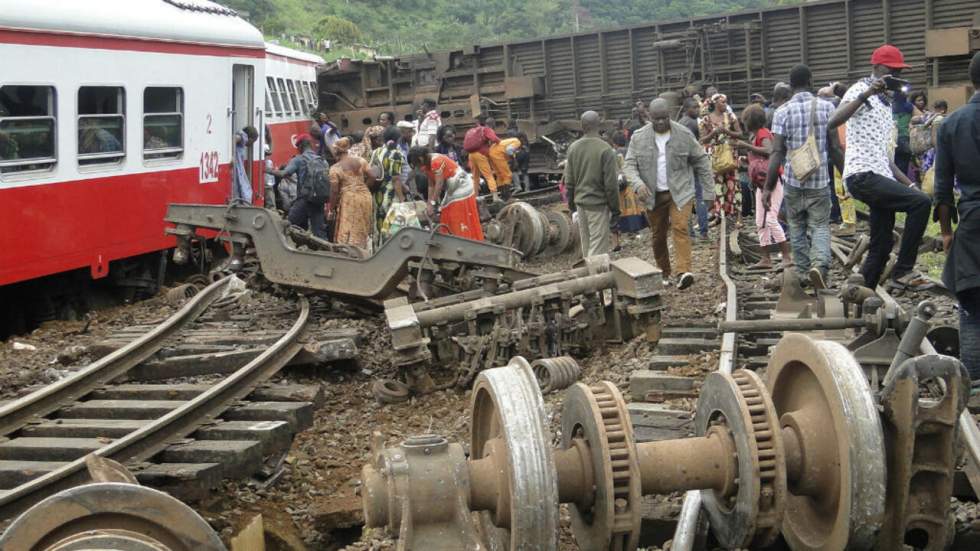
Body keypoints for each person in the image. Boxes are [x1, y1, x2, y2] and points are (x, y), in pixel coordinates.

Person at [829, 44, 933, 290]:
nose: (895, 76)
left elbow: (885, 158)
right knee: (921, 204)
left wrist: (910, 184)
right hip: (862, 174)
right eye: (891, 70)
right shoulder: (860, 89)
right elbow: (833, 121)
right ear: (876, 68)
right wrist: (867, 93)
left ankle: (863, 296)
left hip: (879, 173)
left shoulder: (887, 106)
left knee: (882, 244)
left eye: (898, 72)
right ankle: (904, 271)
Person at [625, 99, 714, 290]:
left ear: (670, 116)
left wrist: (709, 192)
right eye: (656, 119)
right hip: (652, 195)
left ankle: (684, 272)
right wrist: (638, 184)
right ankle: (663, 271)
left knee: (681, 227)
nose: (660, 122)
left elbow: (701, 161)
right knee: (658, 235)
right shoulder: (638, 138)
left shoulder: (683, 134)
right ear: (650, 116)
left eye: (664, 118)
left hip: (680, 192)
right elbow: (629, 165)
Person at [765, 64, 837, 288]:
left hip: (794, 180)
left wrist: (768, 187)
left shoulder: (781, 111)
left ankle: (805, 272)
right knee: (820, 225)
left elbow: (777, 152)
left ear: (790, 84)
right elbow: (835, 147)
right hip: (820, 179)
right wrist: (847, 176)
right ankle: (820, 266)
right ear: (811, 80)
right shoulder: (827, 107)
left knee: (796, 226)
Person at [934, 51, 980, 380]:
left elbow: (942, 188)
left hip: (973, 223)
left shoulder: (951, 124)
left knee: (972, 307)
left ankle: (974, 389)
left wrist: (947, 232)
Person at [736, 104, 790, 268]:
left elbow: (769, 151)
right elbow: (760, 157)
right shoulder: (755, 135)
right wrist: (747, 160)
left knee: (771, 219)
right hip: (761, 183)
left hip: (772, 181)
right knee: (760, 221)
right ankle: (765, 259)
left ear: (749, 121)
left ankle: (787, 256)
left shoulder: (762, 133)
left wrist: (746, 147)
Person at [564, 111, 620, 258]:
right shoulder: (606, 149)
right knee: (598, 251)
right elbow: (611, 185)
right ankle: (592, 278)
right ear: (599, 125)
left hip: (580, 205)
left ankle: (587, 275)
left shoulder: (573, 148)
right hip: (598, 206)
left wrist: (571, 206)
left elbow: (569, 182)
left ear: (582, 126)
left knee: (587, 245)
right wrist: (615, 209)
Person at [408, 146, 484, 241]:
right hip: (452, 187)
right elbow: (431, 185)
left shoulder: (436, 161)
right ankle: (453, 238)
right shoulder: (426, 164)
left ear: (420, 158)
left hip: (462, 186)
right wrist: (428, 203)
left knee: (455, 213)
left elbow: (439, 184)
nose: (417, 167)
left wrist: (432, 204)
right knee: (446, 210)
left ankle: (463, 239)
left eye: (416, 163)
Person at [268, 134, 328, 238]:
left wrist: (267, 170)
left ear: (300, 146)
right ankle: (325, 251)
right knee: (319, 231)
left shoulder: (299, 159)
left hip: (304, 199)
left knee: (287, 224)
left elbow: (284, 174)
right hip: (319, 199)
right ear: (310, 144)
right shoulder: (322, 160)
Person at [699, 93, 743, 218]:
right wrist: (714, 133)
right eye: (723, 102)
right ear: (715, 104)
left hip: (730, 154)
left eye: (726, 102)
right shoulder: (706, 120)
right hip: (716, 157)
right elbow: (702, 140)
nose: (726, 104)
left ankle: (737, 216)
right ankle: (721, 215)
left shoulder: (730, 116)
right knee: (718, 186)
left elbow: (740, 134)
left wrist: (727, 131)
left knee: (734, 184)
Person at [328, 138, 374, 250]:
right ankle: (364, 249)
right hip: (365, 196)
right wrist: (363, 186)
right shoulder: (361, 161)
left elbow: (334, 191)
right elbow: (373, 176)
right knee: (362, 225)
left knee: (348, 228)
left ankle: (350, 253)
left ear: (336, 151)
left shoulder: (335, 169)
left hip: (349, 199)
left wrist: (331, 208)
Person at [679, 97, 710, 240]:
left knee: (686, 199)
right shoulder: (692, 124)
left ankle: (690, 233)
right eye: (694, 108)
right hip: (693, 164)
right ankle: (703, 231)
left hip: (682, 166)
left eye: (698, 107)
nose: (697, 110)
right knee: (700, 197)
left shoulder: (680, 123)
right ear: (686, 109)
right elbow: (695, 146)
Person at [370, 127, 409, 238]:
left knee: (378, 225)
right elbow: (395, 179)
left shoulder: (376, 152)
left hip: (377, 195)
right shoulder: (397, 154)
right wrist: (402, 199)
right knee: (392, 227)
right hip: (391, 196)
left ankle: (378, 250)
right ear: (398, 139)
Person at [464, 114, 502, 201]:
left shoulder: (473, 130)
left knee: (475, 177)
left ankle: (475, 197)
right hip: (480, 154)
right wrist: (501, 142)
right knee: (488, 175)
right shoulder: (486, 129)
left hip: (471, 155)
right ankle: (495, 196)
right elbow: (494, 139)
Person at [232, 126, 258, 204]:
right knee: (245, 189)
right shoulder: (244, 136)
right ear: (250, 138)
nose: (251, 144)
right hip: (237, 167)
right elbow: (234, 139)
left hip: (238, 167)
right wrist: (232, 156)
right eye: (253, 141)